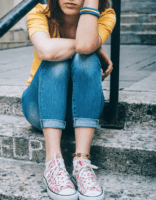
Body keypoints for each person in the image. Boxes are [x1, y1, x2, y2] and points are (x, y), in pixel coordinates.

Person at [21, 0, 116, 199]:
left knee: (86, 58)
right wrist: (93, 46)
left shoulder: (105, 15)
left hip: (80, 110)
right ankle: (53, 163)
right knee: (59, 60)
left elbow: (83, 48)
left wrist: (88, 48)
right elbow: (46, 50)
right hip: (39, 106)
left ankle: (82, 162)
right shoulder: (40, 12)